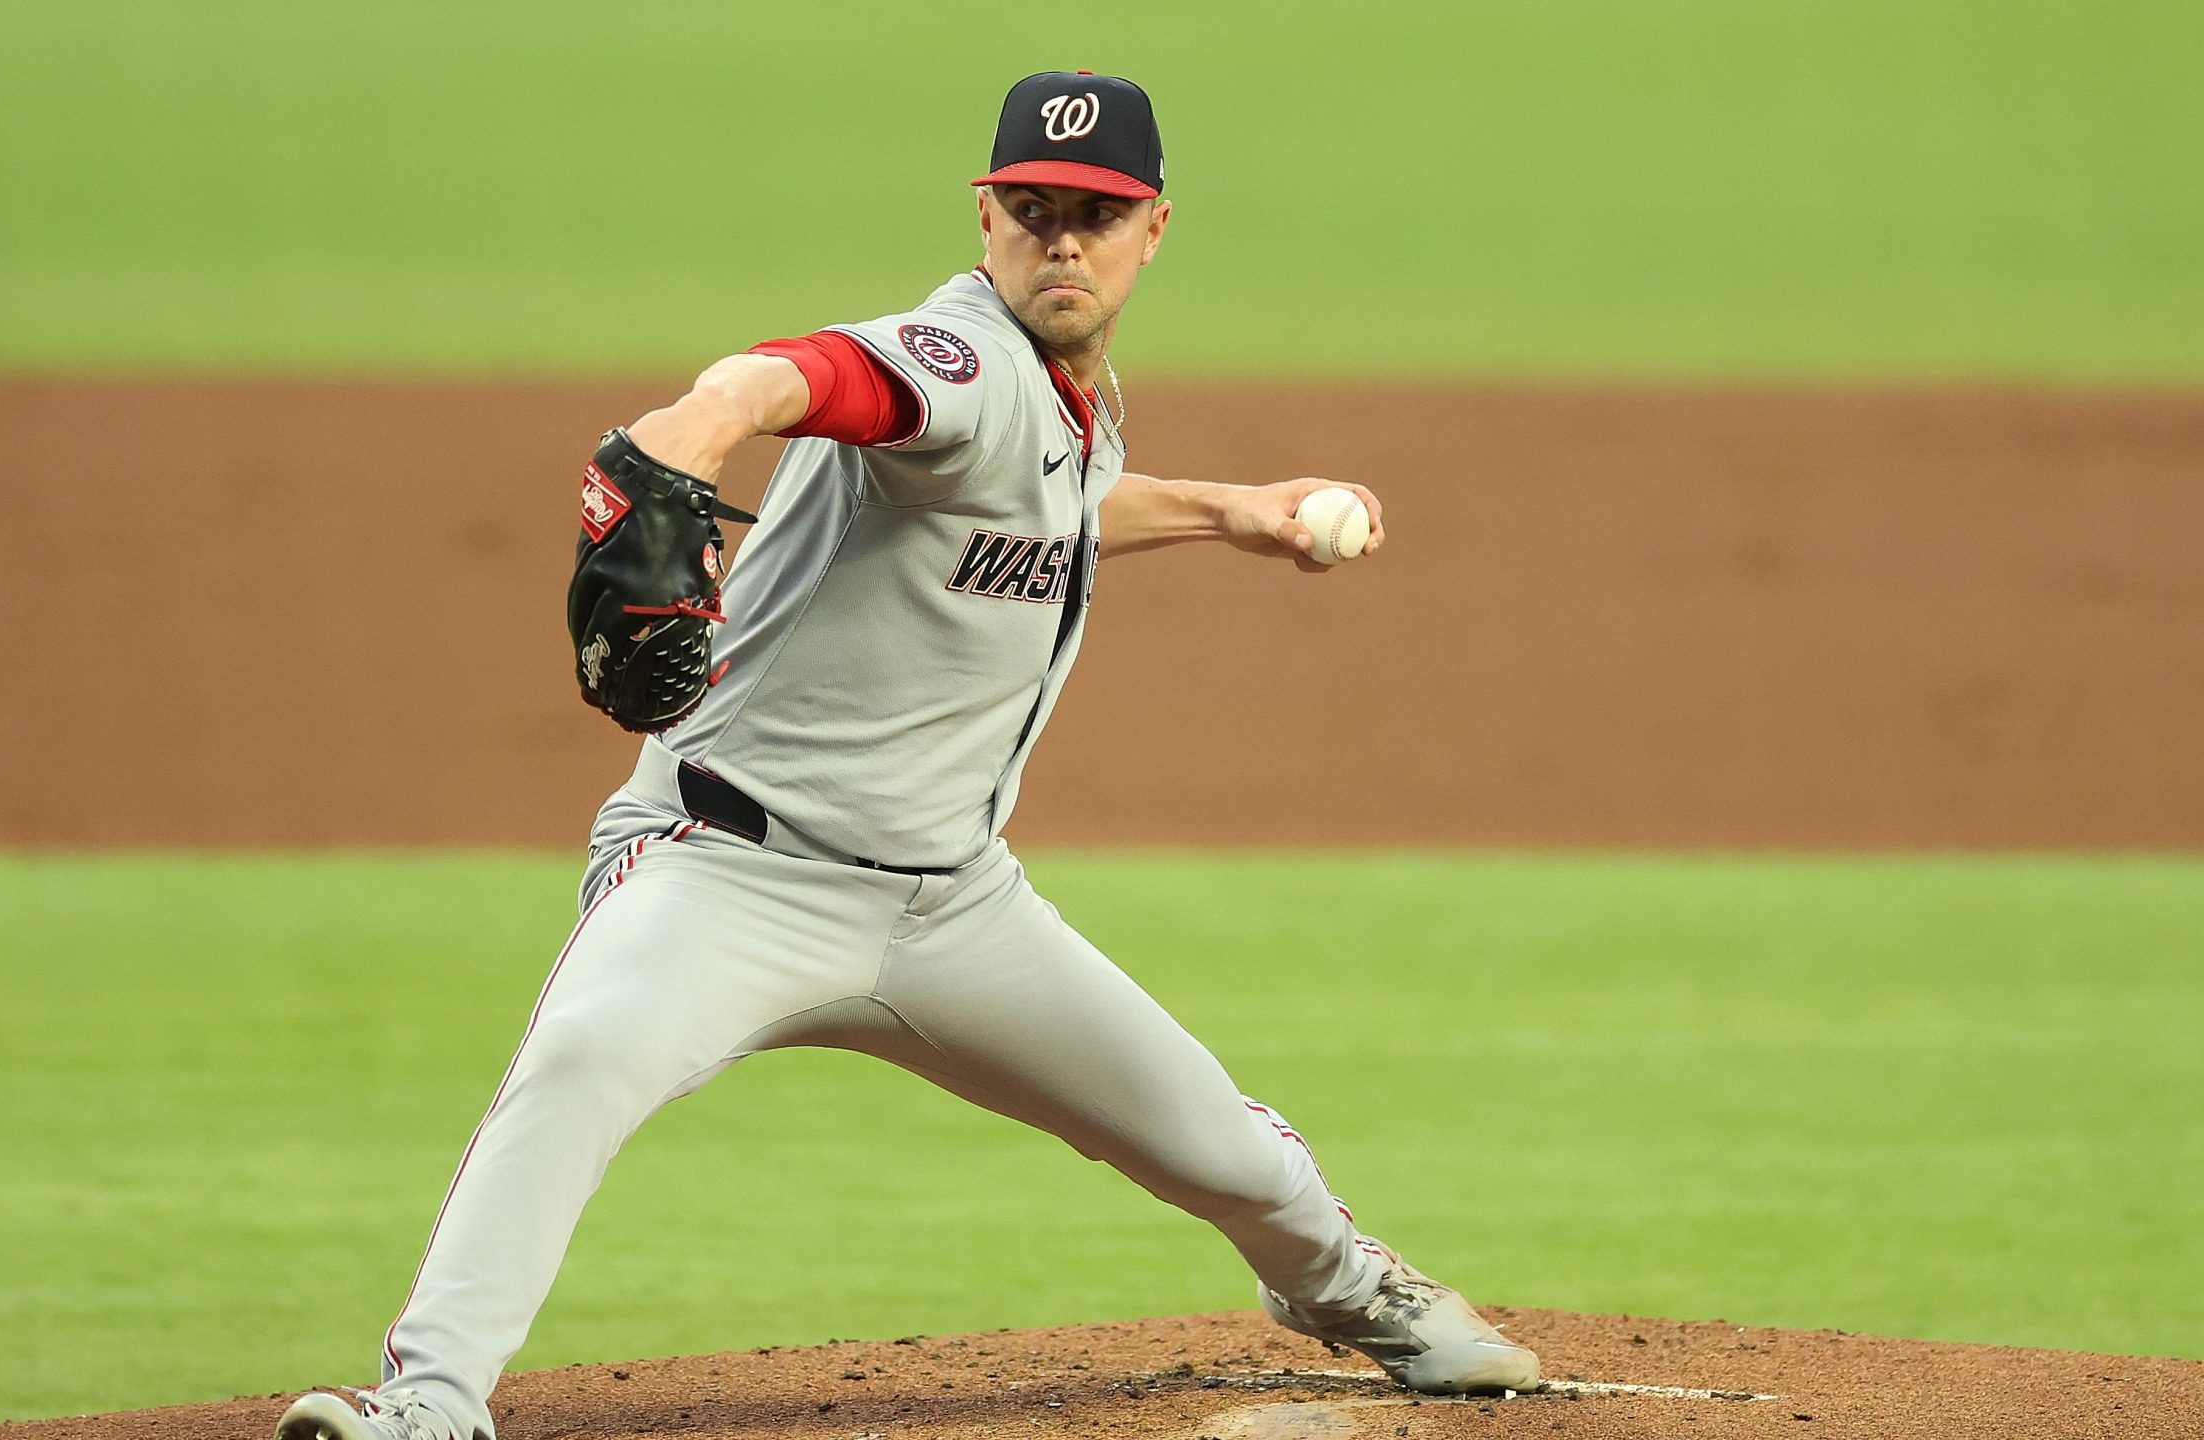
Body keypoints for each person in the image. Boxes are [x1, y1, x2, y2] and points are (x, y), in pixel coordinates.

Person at [278, 69, 1536, 1440]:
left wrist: (1237, 510)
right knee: (579, 1062)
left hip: (953, 904)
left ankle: (1345, 1290)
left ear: (1152, 230)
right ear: (986, 215)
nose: (1063, 238)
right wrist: (698, 429)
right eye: (1034, 208)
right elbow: (802, 378)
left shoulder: (1068, 401)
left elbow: (1054, 501)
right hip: (729, 874)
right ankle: (429, 1408)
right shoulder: (967, 359)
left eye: (1096, 215)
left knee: (1216, 1140)